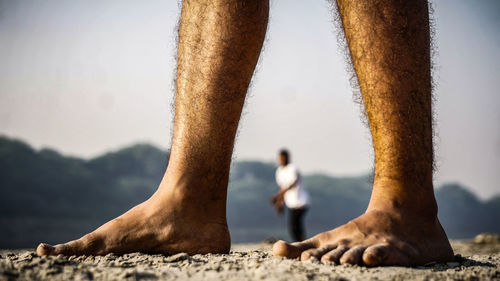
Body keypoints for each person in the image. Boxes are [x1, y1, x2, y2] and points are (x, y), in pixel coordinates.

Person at [36, 0, 454, 266]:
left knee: (294, 221)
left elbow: (295, 184)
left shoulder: (289, 174)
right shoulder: (283, 172)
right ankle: (188, 200)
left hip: (297, 201)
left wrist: (278, 196)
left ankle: (405, 202)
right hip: (292, 201)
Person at [271, 149, 310, 242]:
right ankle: (301, 243)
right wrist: (280, 203)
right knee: (294, 227)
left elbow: (292, 184)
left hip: (301, 201)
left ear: (287, 158)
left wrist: (277, 197)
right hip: (291, 203)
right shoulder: (279, 171)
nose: (281, 160)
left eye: (283, 158)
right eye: (280, 158)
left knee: (295, 225)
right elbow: (282, 188)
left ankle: (302, 243)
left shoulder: (293, 168)